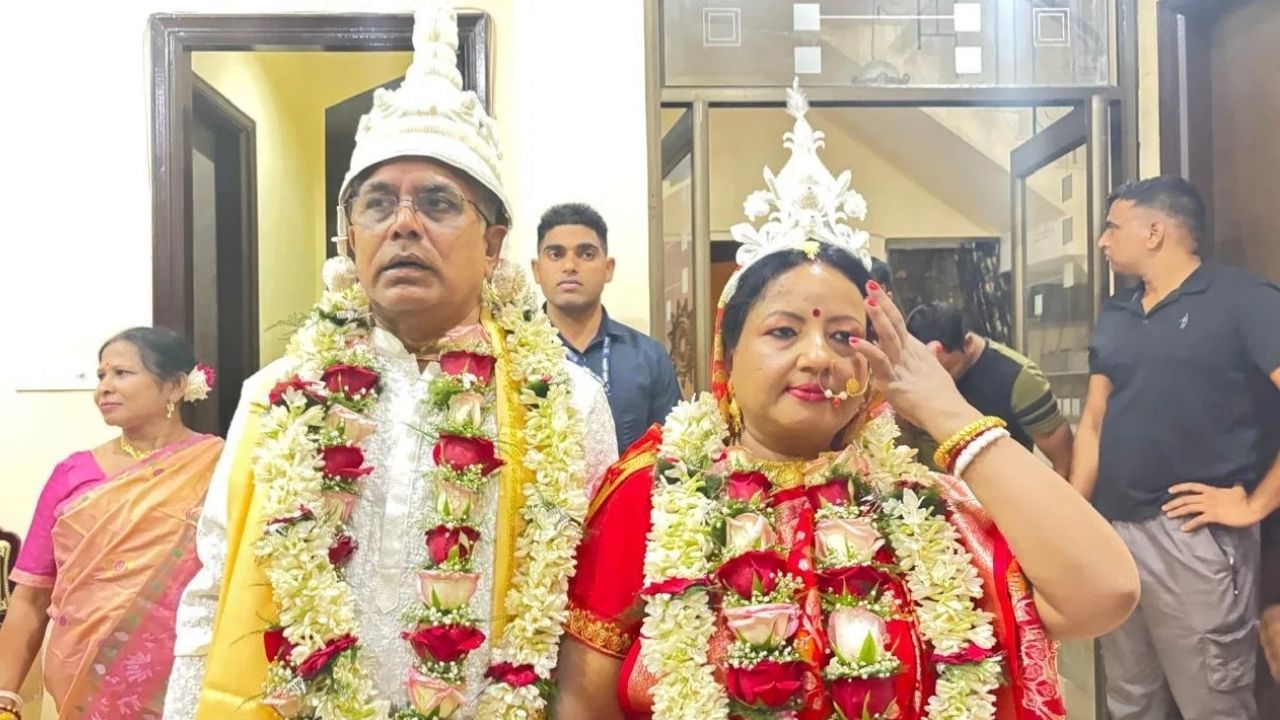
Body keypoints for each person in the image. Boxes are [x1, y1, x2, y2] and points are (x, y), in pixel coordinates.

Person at [553, 81, 1139, 720]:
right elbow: (584, 698)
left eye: (844, 336)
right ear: (727, 355)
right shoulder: (652, 492)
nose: (819, 357)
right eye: (783, 332)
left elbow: (1105, 593)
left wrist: (948, 413)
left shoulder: (921, 504)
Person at [161, 3, 617, 719]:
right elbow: (212, 594)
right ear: (350, 238)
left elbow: (588, 622)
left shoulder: (566, 402)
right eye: (378, 204)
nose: (404, 224)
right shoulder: (277, 397)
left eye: (437, 202)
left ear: (493, 245)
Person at [1072, 176, 1280, 720]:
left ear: (1155, 231)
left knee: (1213, 702)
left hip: (1192, 537)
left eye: (1113, 227)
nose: (1104, 241)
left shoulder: (1244, 300)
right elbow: (1094, 421)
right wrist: (1073, 517)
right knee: (1129, 697)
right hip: (1115, 532)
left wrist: (1255, 504)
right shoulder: (1118, 312)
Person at [0, 328, 222, 720]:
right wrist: (5, 693)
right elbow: (31, 596)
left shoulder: (218, 467)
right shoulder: (73, 473)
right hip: (83, 675)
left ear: (175, 386)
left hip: (185, 675)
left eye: (122, 373)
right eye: (101, 375)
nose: (104, 387)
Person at [532, 202, 682, 452]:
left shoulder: (649, 357)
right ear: (537, 270)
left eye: (586, 254)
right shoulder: (511, 353)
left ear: (608, 269)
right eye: (556, 254)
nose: (570, 266)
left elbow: (675, 454)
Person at [906, 302, 1074, 477]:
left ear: (968, 343)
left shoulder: (1020, 378)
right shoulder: (913, 374)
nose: (936, 380)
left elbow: (1063, 460)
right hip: (929, 488)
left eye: (946, 370)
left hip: (1000, 488)